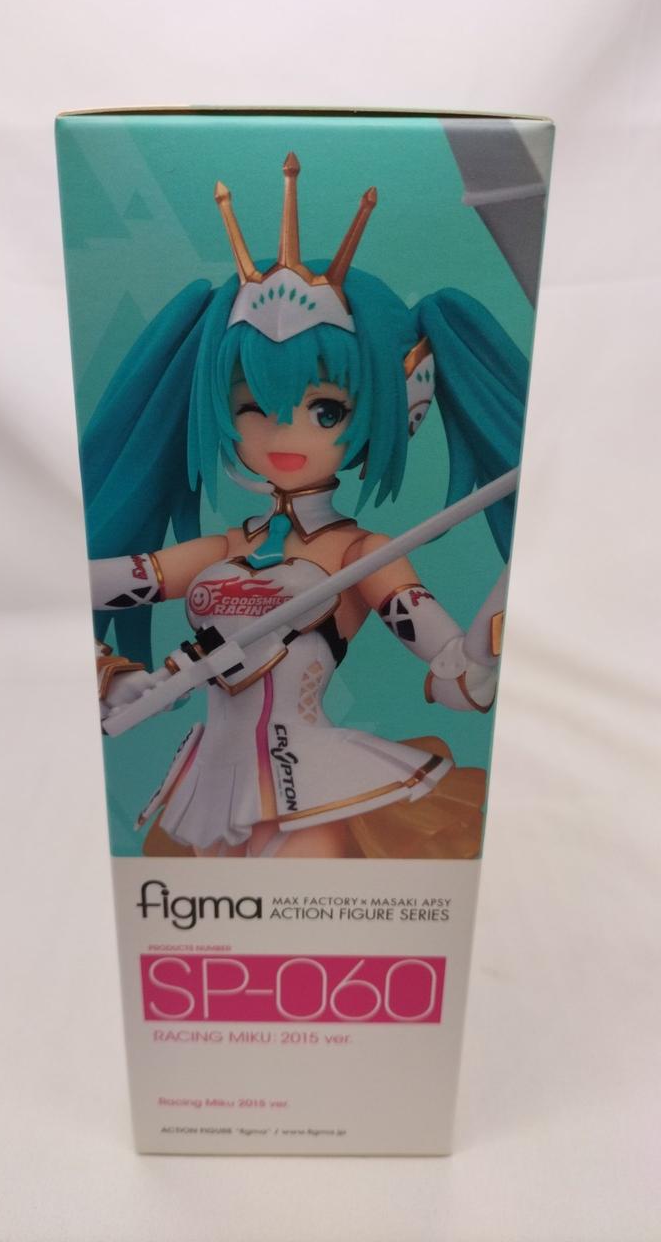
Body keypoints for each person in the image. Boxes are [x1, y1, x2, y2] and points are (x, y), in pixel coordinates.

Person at [84, 154, 528, 859]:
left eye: (325, 410)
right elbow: (78, 586)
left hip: (318, 784)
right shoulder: (221, 550)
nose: (283, 433)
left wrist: (500, 617)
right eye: (253, 406)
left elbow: (458, 683)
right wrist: (116, 678)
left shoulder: (362, 555)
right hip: (208, 791)